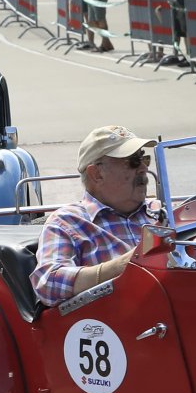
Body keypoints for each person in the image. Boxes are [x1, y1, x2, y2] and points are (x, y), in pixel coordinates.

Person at [31, 125, 159, 305]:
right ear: (97, 174)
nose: (143, 168)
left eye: (144, 158)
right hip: (116, 317)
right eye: (132, 161)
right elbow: (47, 282)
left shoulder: (162, 211)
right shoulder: (67, 222)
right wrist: (124, 265)